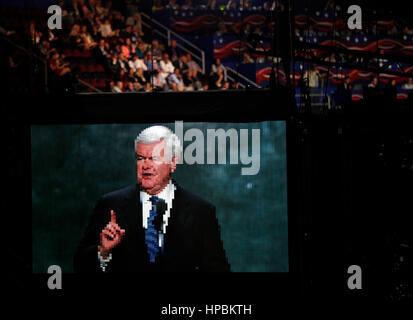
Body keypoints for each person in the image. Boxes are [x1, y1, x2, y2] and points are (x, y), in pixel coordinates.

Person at [74, 126, 230, 272]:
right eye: (141, 158)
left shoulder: (200, 211)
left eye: (154, 158)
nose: (146, 165)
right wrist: (104, 252)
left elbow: (217, 269)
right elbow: (80, 265)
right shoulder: (110, 205)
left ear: (173, 163)